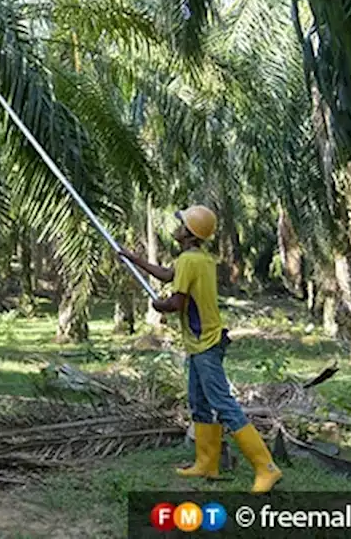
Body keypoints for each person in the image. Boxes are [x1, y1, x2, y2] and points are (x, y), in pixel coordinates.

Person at [119, 204, 282, 493]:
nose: (177, 226)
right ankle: (207, 463)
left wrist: (160, 306)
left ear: (190, 233)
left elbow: (176, 303)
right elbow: (169, 276)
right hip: (201, 342)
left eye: (182, 223)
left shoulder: (189, 261)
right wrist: (135, 260)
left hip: (205, 344)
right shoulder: (199, 259)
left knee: (222, 403)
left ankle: (266, 467)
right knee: (198, 402)